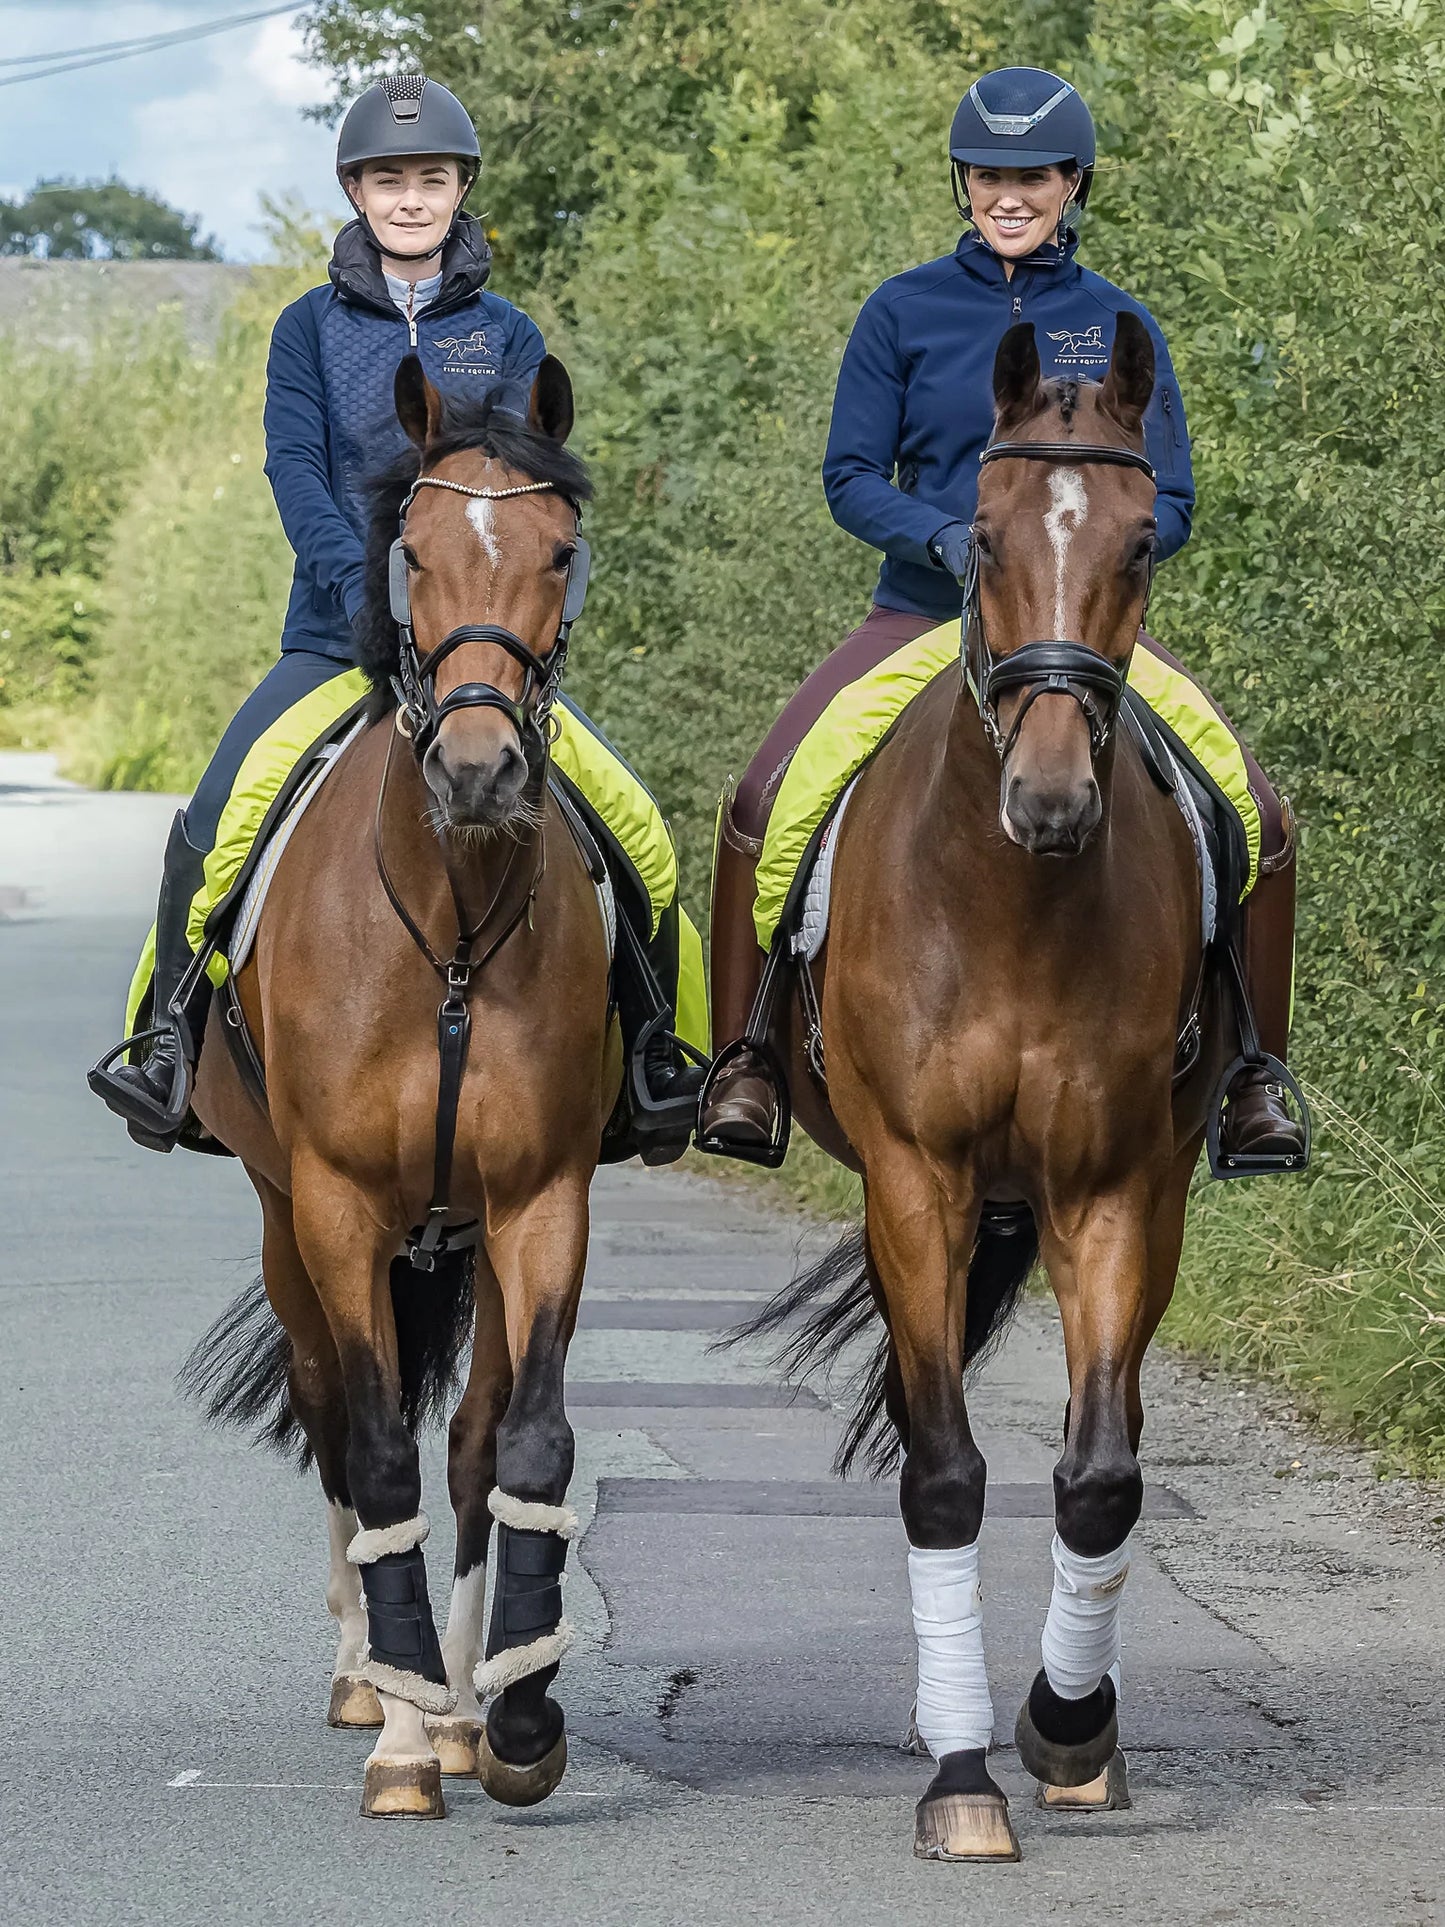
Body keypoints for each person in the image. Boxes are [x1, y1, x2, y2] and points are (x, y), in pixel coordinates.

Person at [700, 65, 1303, 1163]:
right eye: (988, 174)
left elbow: (1169, 495)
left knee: (1256, 818)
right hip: (920, 616)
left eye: (1032, 174)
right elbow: (848, 475)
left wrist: (1093, 559)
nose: (1008, 193)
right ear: (960, 183)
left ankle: (1253, 1078)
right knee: (759, 798)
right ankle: (743, 1059)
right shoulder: (902, 309)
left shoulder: (1118, 319)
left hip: (1079, 628)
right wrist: (944, 541)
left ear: (1073, 183)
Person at [92, 74, 703, 1147]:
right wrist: (362, 589)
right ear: (354, 190)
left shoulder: (506, 333)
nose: (410, 197)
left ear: (461, 188)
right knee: (212, 824)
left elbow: (510, 497)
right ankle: (166, 1039)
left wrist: (466, 615)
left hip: (476, 648)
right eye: (388, 179)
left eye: (430, 178)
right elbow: (295, 472)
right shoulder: (306, 330)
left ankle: (659, 1052)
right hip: (334, 637)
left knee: (639, 834)